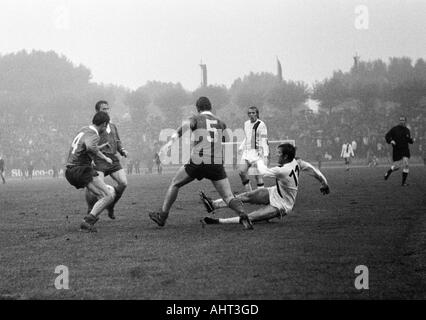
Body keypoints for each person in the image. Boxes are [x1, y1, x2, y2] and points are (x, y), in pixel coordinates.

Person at [149, 96, 253, 230]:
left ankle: (162, 216)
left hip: (198, 160)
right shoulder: (220, 122)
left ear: (197, 108)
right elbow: (225, 139)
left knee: (175, 184)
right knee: (228, 196)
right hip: (216, 163)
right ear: (211, 107)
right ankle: (242, 213)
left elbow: (180, 131)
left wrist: (167, 146)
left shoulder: (195, 118)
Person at [200, 143, 330, 226]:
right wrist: (324, 183)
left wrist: (257, 159)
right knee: (247, 196)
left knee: (252, 217)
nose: (276, 155)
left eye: (279, 153)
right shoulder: (298, 162)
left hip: (282, 205)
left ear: (285, 156)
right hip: (275, 192)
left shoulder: (282, 170)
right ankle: (213, 205)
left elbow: (263, 172)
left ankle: (218, 221)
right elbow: (314, 171)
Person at [64, 111, 116, 232]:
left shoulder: (84, 129)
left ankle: (89, 221)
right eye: (106, 126)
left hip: (70, 171)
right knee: (109, 195)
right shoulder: (94, 134)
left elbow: (85, 146)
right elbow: (90, 147)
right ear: (104, 124)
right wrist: (105, 157)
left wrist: (101, 147)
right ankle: (87, 221)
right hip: (81, 169)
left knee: (101, 195)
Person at [85, 100, 129, 219]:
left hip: (113, 159)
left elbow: (118, 142)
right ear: (98, 111)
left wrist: (122, 150)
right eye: (103, 109)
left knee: (124, 183)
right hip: (99, 159)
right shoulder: (95, 128)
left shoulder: (113, 126)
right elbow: (89, 145)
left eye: (107, 109)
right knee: (94, 187)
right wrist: (91, 159)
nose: (106, 111)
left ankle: (111, 205)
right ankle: (91, 208)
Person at [238, 106, 269, 192]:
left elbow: (264, 139)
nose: (251, 114)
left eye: (253, 113)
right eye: (249, 113)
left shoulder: (261, 124)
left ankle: (261, 194)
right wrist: (241, 146)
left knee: (257, 175)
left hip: (257, 153)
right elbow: (247, 137)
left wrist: (265, 155)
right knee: (241, 172)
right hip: (247, 152)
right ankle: (249, 192)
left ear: (257, 114)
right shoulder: (246, 123)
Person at [384, 116, 414, 186]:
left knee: (406, 164)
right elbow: (387, 136)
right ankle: (389, 171)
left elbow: (409, 140)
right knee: (397, 167)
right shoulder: (394, 129)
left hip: (405, 150)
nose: (401, 121)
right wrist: (391, 140)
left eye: (403, 120)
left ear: (405, 121)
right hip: (397, 150)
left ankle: (403, 183)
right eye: (400, 120)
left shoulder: (407, 130)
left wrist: (412, 140)